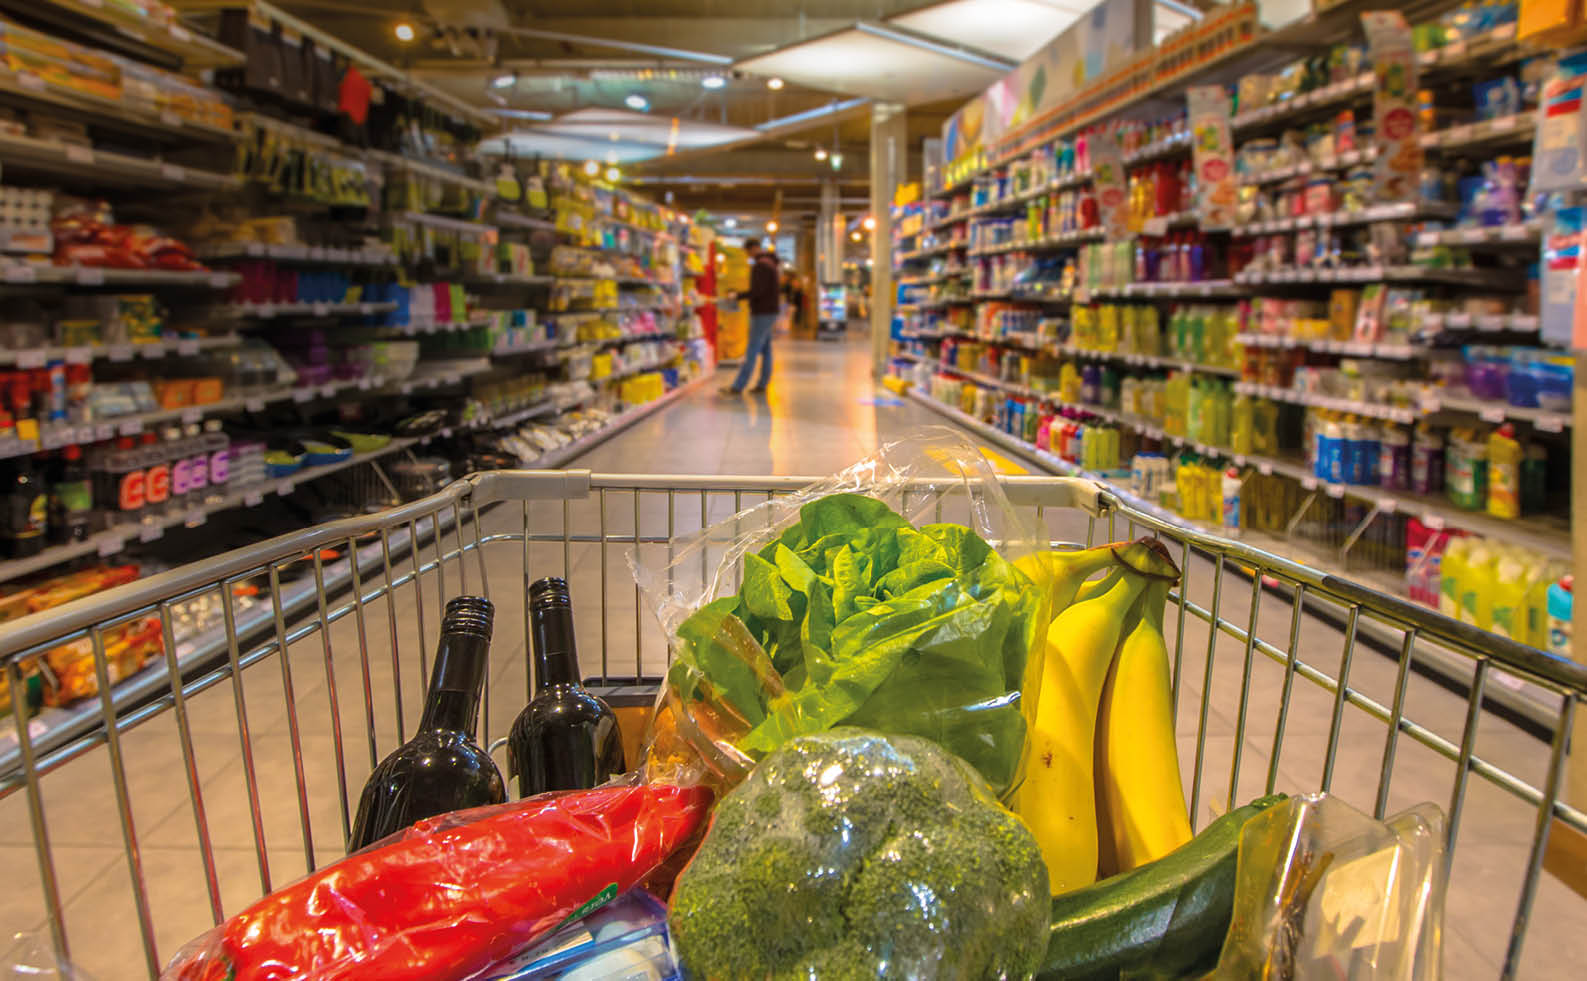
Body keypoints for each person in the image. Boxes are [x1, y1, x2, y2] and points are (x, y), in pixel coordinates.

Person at [722, 237, 780, 395]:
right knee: (766, 350)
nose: (747, 256)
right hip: (771, 311)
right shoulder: (771, 263)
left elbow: (757, 292)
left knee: (752, 350)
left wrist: (737, 295)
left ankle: (738, 386)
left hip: (762, 312)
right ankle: (762, 384)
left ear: (753, 248)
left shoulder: (760, 266)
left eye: (747, 252)